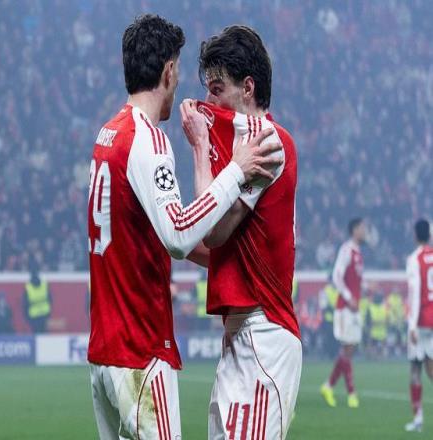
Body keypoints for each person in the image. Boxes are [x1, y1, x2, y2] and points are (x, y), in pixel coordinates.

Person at [87, 15, 282, 440]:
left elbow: (154, 234)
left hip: (104, 355)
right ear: (169, 70)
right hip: (140, 350)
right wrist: (236, 170)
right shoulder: (148, 139)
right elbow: (177, 235)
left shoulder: (108, 135)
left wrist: (229, 263)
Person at [179, 25, 301, 439]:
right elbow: (217, 249)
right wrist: (169, 239)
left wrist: (199, 148)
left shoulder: (268, 143)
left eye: (217, 90)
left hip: (262, 335)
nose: (209, 102)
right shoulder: (244, 152)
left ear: (248, 88)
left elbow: (211, 230)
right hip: (241, 335)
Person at [320, 218, 366, 409]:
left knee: (350, 350)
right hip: (345, 308)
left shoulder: (358, 252)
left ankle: (328, 386)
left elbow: (353, 280)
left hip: (353, 308)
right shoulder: (346, 250)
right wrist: (349, 297)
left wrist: (365, 289)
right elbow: (337, 276)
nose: (365, 231)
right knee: (347, 349)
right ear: (354, 230)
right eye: (363, 228)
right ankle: (351, 393)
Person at [405, 219, 433, 433]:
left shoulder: (414, 259)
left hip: (421, 320)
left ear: (415, 235)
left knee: (416, 368)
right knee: (431, 366)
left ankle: (418, 419)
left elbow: (415, 293)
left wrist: (412, 325)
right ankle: (418, 419)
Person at [22, 265, 51, 333]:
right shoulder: (44, 285)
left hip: (35, 316)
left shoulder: (28, 288)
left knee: (37, 334)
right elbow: (50, 299)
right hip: (43, 314)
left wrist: (27, 318)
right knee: (44, 334)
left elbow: (24, 304)